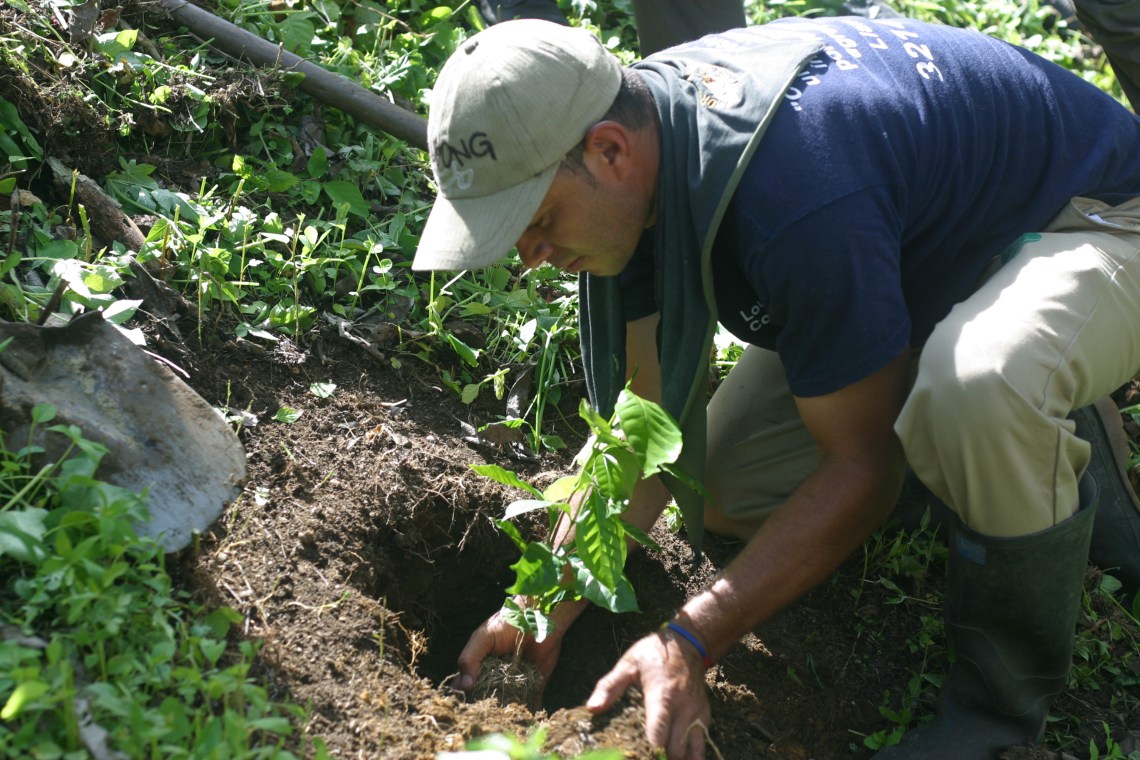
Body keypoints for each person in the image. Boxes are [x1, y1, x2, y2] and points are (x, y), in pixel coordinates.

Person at [412, 15, 1140, 760]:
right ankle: (988, 450)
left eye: (537, 221)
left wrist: (691, 639)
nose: (531, 257)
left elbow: (864, 472)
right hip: (921, 267)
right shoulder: (635, 163)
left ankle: (999, 718)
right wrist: (538, 606)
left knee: (982, 384)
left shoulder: (796, 189)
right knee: (725, 482)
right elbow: (648, 426)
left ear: (609, 150)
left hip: (1095, 220)